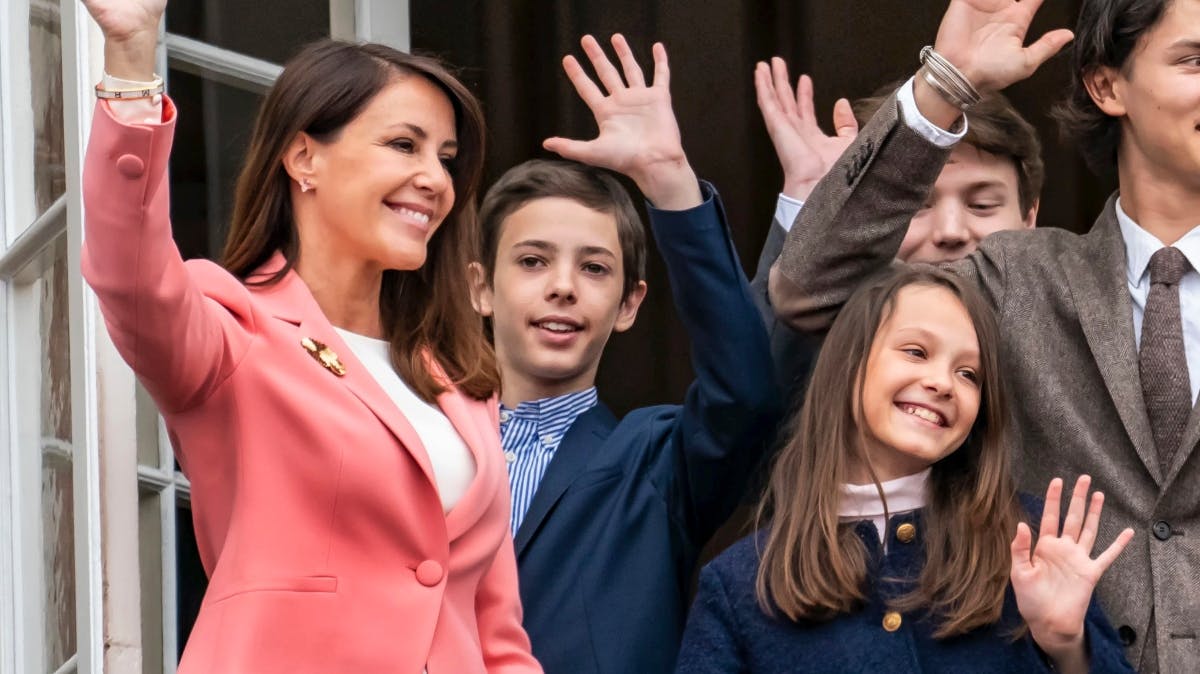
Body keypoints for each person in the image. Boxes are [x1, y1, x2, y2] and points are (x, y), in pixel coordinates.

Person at [78, 1, 540, 672]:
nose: (436, 180)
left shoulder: (462, 385)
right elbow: (129, 275)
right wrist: (130, 67)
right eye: (403, 145)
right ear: (303, 159)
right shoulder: (234, 328)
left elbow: (498, 637)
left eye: (445, 158)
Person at [767, 0, 1200, 670]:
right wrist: (945, 85)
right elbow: (809, 284)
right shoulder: (1017, 277)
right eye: (1195, 60)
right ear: (1108, 85)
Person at [467, 35, 781, 674]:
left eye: (594, 268)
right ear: (480, 288)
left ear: (630, 304)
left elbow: (744, 392)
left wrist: (669, 181)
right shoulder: (417, 434)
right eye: (532, 261)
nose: (562, 285)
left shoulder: (654, 463)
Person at [677, 267, 1134, 673]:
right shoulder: (741, 580)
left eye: (969, 374)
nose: (941, 383)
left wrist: (1068, 647)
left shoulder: (1028, 544)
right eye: (916, 352)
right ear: (848, 365)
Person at [750, 60, 1043, 400]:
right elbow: (743, 420)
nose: (950, 231)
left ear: (1029, 217)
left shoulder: (1061, 330)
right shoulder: (832, 333)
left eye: (982, 205)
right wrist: (821, 210)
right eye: (918, 206)